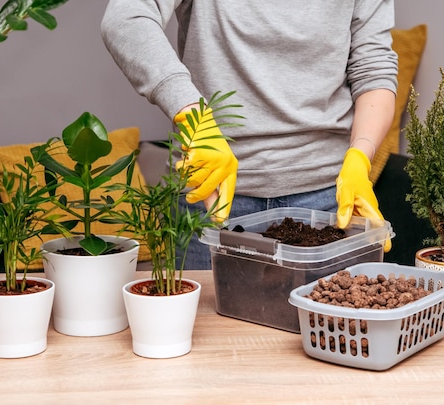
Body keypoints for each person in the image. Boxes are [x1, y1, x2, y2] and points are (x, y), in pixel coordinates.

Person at [101, 1, 398, 269]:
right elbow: (126, 16)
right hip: (209, 194)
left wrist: (361, 153)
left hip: (326, 200)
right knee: (208, 330)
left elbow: (374, 69)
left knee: (323, 329)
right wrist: (193, 117)